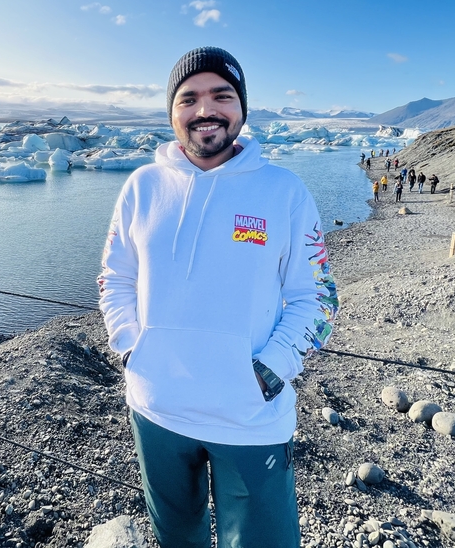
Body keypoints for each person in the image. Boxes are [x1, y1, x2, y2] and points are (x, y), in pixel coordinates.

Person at [98, 46, 338, 548]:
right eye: (189, 99)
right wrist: (130, 348)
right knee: (176, 539)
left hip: (249, 417)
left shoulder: (284, 192)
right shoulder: (141, 187)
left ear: (241, 109)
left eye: (221, 95)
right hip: (157, 409)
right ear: (172, 113)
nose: (205, 110)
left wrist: (269, 370)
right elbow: (114, 277)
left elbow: (317, 296)